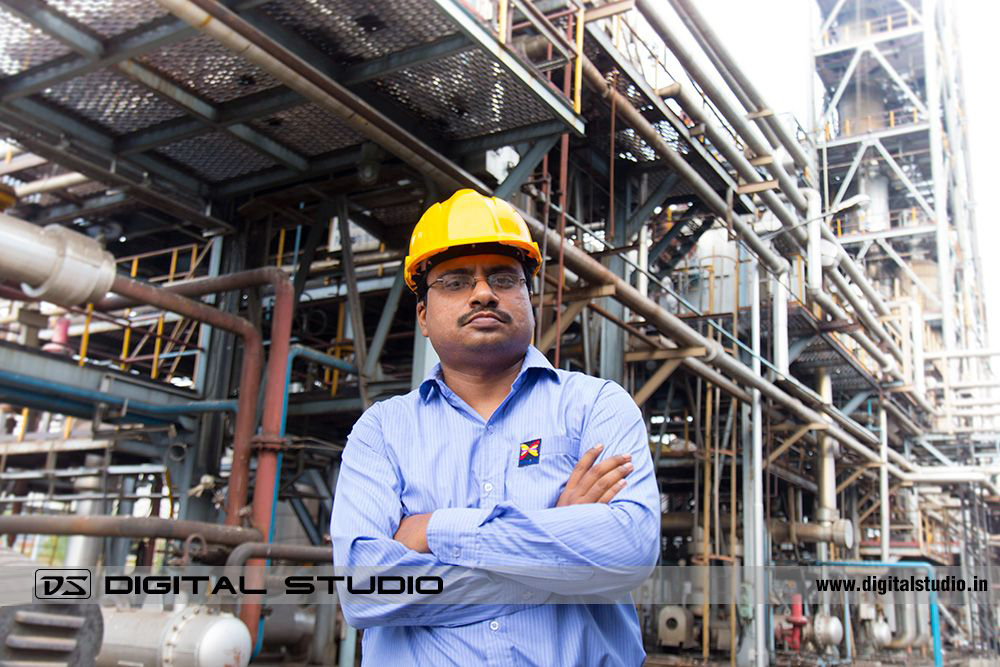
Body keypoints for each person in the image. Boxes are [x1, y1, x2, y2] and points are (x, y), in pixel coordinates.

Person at [330, 189, 659, 666]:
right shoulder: (381, 431)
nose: (483, 293)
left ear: (530, 298)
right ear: (423, 314)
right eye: (455, 282)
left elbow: (627, 552)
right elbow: (363, 590)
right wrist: (558, 544)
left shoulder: (596, 406)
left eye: (503, 278)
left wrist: (435, 530)